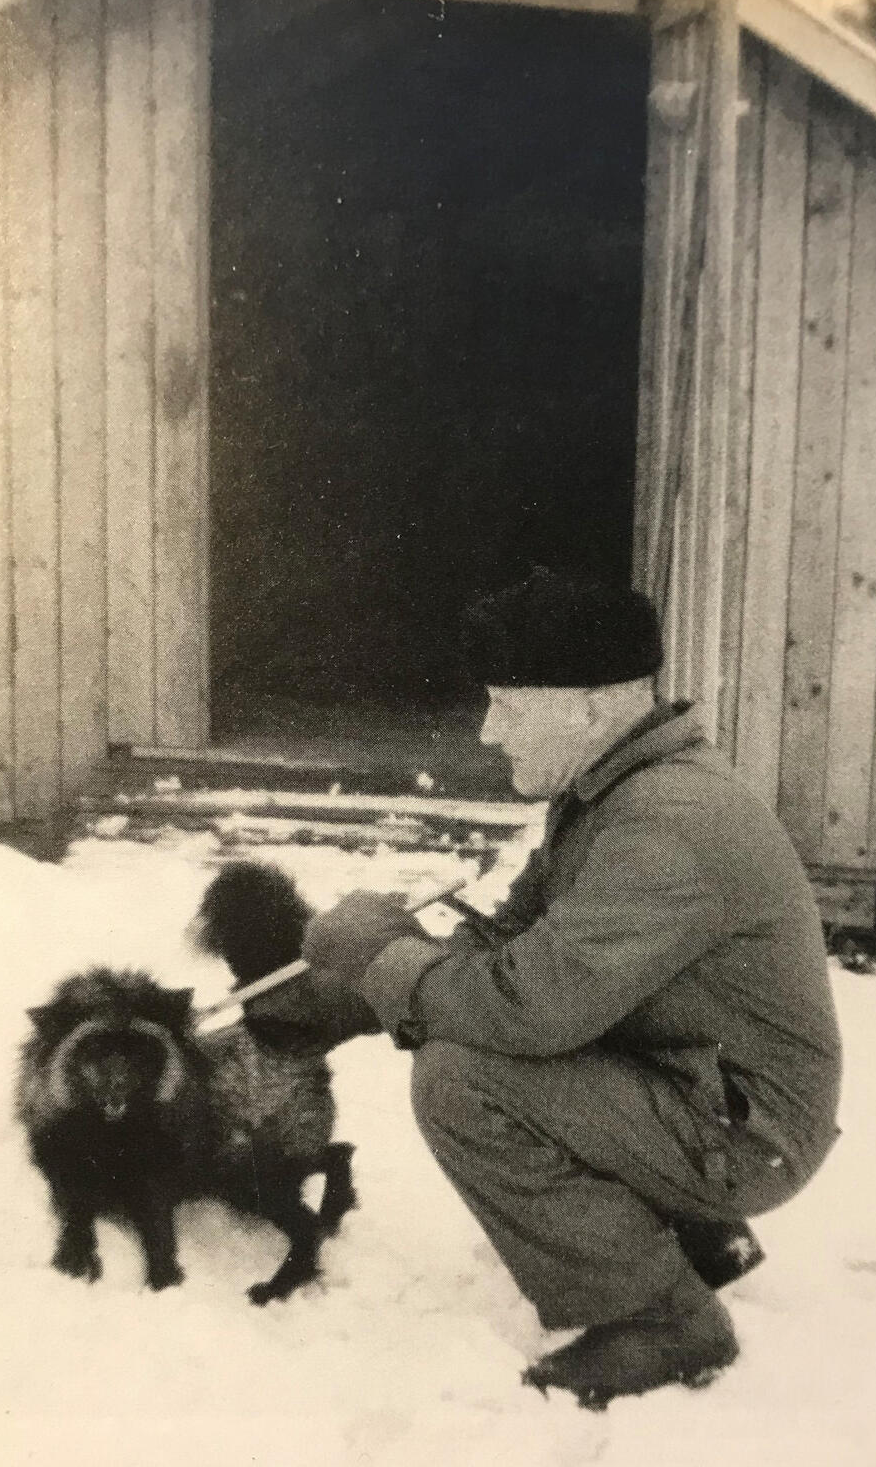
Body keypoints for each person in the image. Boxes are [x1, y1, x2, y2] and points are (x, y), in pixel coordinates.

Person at [294, 567, 842, 1408]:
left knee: (463, 1078)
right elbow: (518, 944)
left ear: (587, 705)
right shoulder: (611, 793)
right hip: (697, 1089)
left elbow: (528, 1006)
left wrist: (390, 967)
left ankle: (663, 1318)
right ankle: (693, 1239)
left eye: (507, 705)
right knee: (471, 1037)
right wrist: (389, 961)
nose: (487, 730)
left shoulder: (667, 822)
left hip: (742, 1132)